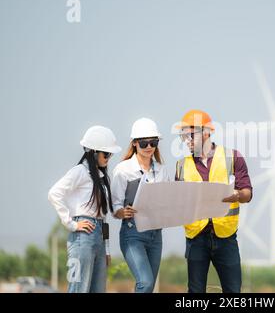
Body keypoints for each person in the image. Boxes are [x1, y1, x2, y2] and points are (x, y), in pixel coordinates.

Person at [175, 109, 253, 293]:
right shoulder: (180, 166)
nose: (187, 140)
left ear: (207, 132)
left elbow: (247, 194)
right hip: (196, 238)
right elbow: (178, 203)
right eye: (183, 136)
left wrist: (237, 195)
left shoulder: (232, 157)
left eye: (191, 134)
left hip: (225, 236)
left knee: (233, 291)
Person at [48, 125, 121, 293]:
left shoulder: (102, 178)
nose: (109, 158)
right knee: (78, 288)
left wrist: (107, 248)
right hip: (82, 237)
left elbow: (103, 216)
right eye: (106, 154)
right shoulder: (79, 171)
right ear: (93, 152)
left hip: (99, 238)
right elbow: (54, 193)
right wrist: (71, 224)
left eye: (110, 154)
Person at [111, 118, 170, 293]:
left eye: (154, 142)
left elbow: (167, 200)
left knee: (149, 286)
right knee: (145, 282)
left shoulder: (162, 170)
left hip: (155, 234)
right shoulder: (123, 170)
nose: (149, 147)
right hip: (133, 234)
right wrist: (122, 211)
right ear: (135, 143)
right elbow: (114, 205)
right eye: (144, 143)